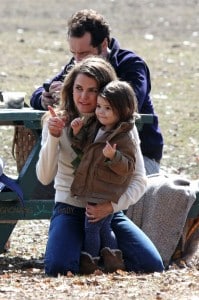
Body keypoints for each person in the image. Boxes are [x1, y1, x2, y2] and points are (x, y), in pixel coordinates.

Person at [36, 56, 164, 276]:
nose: (83, 97)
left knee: (151, 265)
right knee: (59, 268)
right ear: (70, 89)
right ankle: (89, 251)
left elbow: (139, 178)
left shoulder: (121, 126)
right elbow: (45, 177)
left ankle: (98, 253)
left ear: (105, 93)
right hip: (70, 206)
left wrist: (111, 207)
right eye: (78, 88)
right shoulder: (58, 120)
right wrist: (54, 137)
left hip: (107, 210)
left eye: (92, 90)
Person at [30, 9, 164, 175]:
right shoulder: (77, 64)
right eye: (74, 53)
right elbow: (38, 93)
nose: (78, 60)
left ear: (104, 45)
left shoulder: (130, 64)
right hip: (93, 153)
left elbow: (130, 104)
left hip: (138, 156)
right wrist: (47, 98)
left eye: (84, 53)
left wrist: (80, 94)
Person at [70, 80, 137, 258]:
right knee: (103, 227)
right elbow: (86, 150)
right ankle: (112, 257)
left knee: (91, 227)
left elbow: (129, 166)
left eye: (107, 108)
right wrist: (78, 134)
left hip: (104, 191)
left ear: (122, 110)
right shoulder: (98, 128)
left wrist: (114, 157)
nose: (100, 111)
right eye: (99, 106)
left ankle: (91, 258)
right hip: (96, 188)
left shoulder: (123, 137)